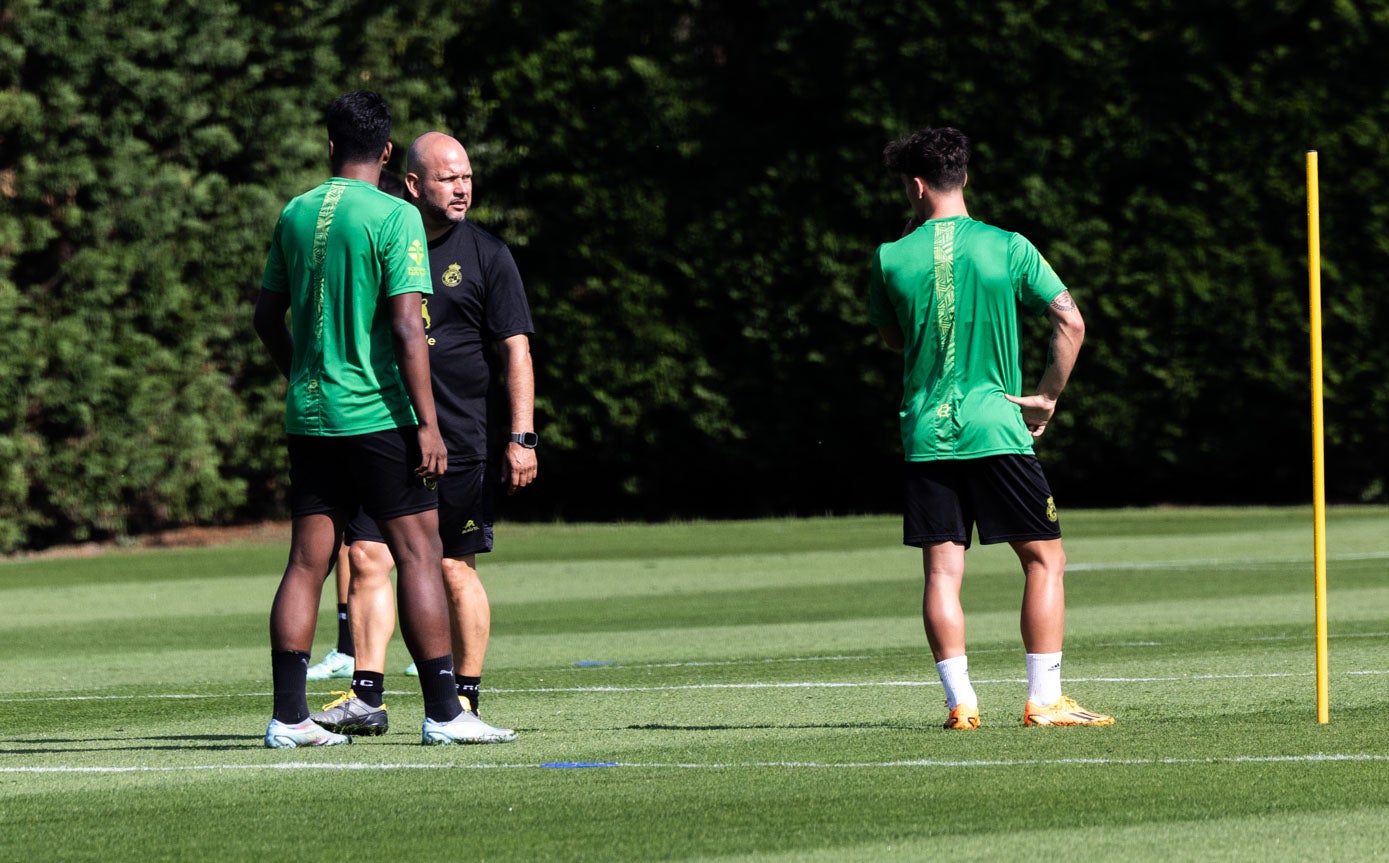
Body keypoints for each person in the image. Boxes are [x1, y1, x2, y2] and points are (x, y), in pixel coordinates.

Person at [253, 90, 495, 747]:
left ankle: (288, 717)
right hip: (379, 414)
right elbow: (408, 329)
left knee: (307, 562)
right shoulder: (394, 215)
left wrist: (302, 375)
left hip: (310, 414)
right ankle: (446, 713)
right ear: (387, 152)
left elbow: (264, 318)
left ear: (330, 145)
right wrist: (426, 422)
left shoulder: (296, 211)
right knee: (418, 552)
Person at [867, 126, 1112, 730]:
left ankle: (961, 703)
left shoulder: (889, 257)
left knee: (943, 572)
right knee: (1044, 561)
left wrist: (910, 245)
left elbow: (893, 337)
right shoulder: (1008, 245)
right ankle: (1044, 698)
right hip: (998, 426)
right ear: (964, 179)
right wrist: (1048, 397)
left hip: (926, 433)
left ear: (916, 186)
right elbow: (1070, 322)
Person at [309, 131, 536, 744]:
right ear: (413, 184)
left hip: (460, 440)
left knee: (451, 567)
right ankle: (366, 697)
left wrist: (523, 437)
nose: (462, 188)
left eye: (466, 177)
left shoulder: (488, 254)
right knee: (365, 556)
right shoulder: (384, 238)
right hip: (384, 433)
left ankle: (462, 698)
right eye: (447, 178)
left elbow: (515, 349)